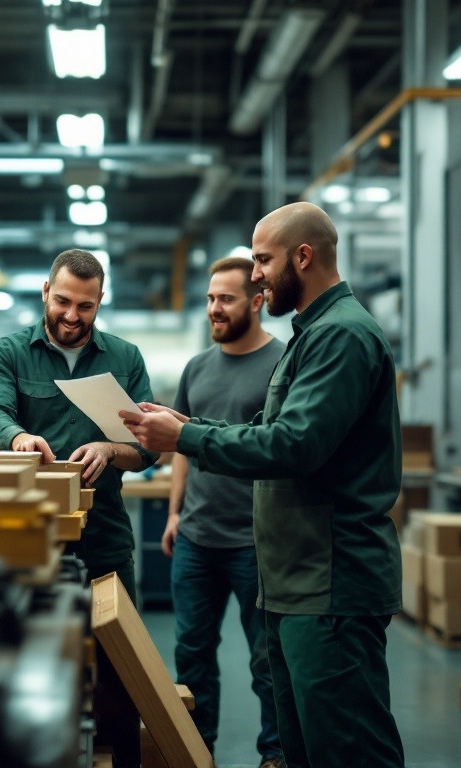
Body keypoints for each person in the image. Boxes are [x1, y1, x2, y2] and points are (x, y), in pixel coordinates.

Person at [121, 202, 405, 768]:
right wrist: (188, 427)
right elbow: (269, 430)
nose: (254, 275)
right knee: (302, 747)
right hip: (295, 582)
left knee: (349, 751)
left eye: (263, 260)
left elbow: (294, 446)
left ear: (303, 257)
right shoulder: (311, 334)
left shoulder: (341, 337)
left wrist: (187, 441)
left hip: (330, 584)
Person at [0, 248, 159, 768]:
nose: (72, 316)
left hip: (104, 537)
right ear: (44, 294)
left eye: (86, 306)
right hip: (31, 538)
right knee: (31, 663)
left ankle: (121, 757)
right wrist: (17, 438)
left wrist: (109, 448)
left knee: (119, 671)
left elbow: (147, 447)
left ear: (100, 302)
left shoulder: (124, 358)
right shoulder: (9, 352)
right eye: (62, 302)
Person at [162, 255, 285, 768]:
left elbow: (284, 448)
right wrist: (174, 514)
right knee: (191, 656)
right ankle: (197, 751)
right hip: (195, 537)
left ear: (257, 301)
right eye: (211, 298)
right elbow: (183, 448)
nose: (215, 308)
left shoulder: (282, 363)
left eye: (226, 299)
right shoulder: (197, 368)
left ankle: (275, 756)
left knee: (267, 662)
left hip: (254, 542)